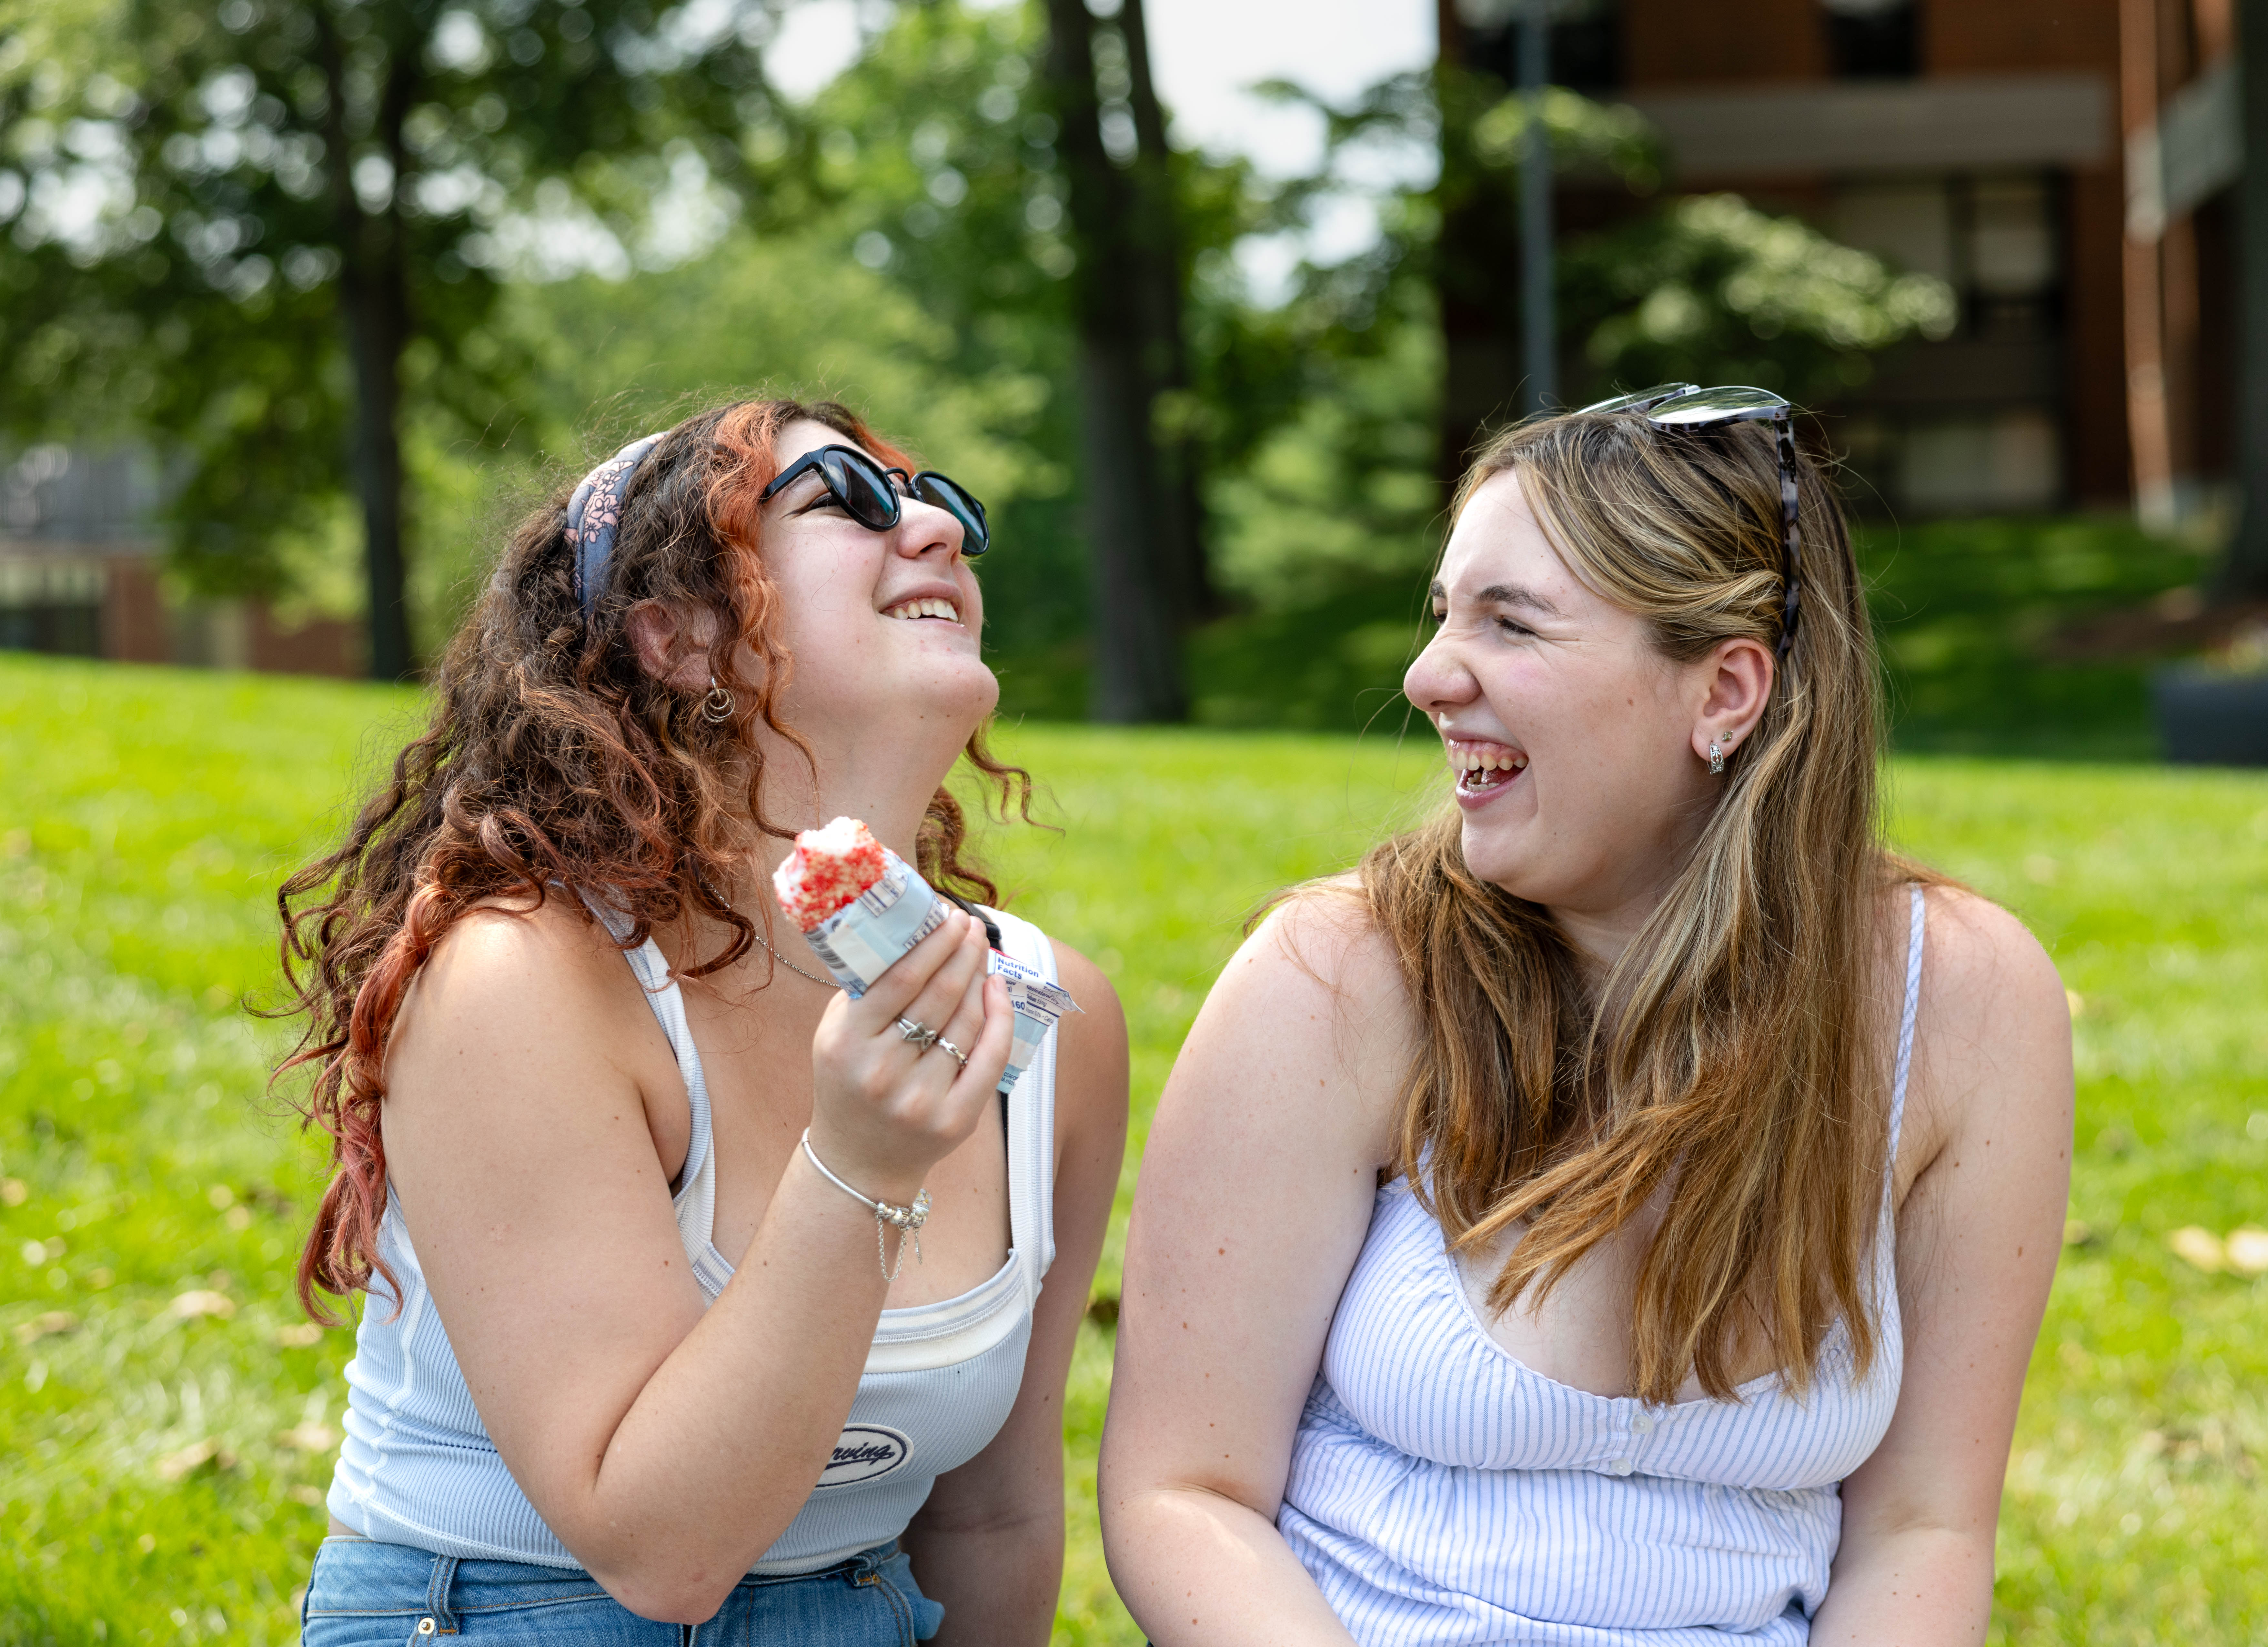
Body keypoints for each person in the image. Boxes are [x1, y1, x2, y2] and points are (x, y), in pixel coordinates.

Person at [1100, 387, 2073, 1646]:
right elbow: (1187, 1496)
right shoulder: (1339, 975)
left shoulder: (1963, 1002)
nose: (1429, 674)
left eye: (1511, 623)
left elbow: (1924, 1531)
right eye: (1445, 612)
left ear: (1725, 692)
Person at [277, 397, 1127, 1644]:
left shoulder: (1051, 1015)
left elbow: (992, 1520)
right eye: (851, 500)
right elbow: (656, 1552)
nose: (940, 526)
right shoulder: (523, 978)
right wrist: (861, 1165)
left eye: (943, 499)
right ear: (674, 637)